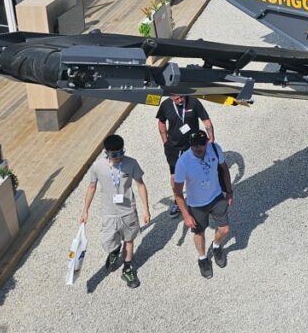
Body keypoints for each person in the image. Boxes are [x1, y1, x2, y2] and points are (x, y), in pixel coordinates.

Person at [79, 134, 150, 289]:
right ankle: (114, 251)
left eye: (120, 153)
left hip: (128, 211)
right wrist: (85, 211)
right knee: (108, 241)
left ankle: (127, 267)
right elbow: (91, 187)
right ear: (106, 152)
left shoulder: (131, 164)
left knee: (129, 239)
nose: (118, 157)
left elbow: (140, 185)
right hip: (108, 212)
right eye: (114, 154)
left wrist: (146, 209)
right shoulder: (98, 166)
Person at [174, 130, 233, 279]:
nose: (198, 148)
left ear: (206, 142)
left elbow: (224, 170)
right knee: (199, 232)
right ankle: (202, 258)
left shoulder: (214, 148)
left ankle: (216, 246)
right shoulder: (183, 163)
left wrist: (229, 192)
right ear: (190, 146)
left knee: (225, 229)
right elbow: (178, 193)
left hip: (216, 197)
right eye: (194, 146)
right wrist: (186, 215)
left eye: (201, 145)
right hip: (196, 205)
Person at [157, 94, 214, 218]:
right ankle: (178, 200)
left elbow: (206, 120)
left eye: (182, 97)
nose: (180, 100)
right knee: (174, 176)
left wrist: (211, 139)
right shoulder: (166, 105)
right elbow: (161, 122)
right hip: (173, 147)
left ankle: (203, 199)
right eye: (176, 98)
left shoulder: (193, 102)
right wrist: (165, 141)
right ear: (170, 97)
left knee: (198, 171)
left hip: (193, 145)